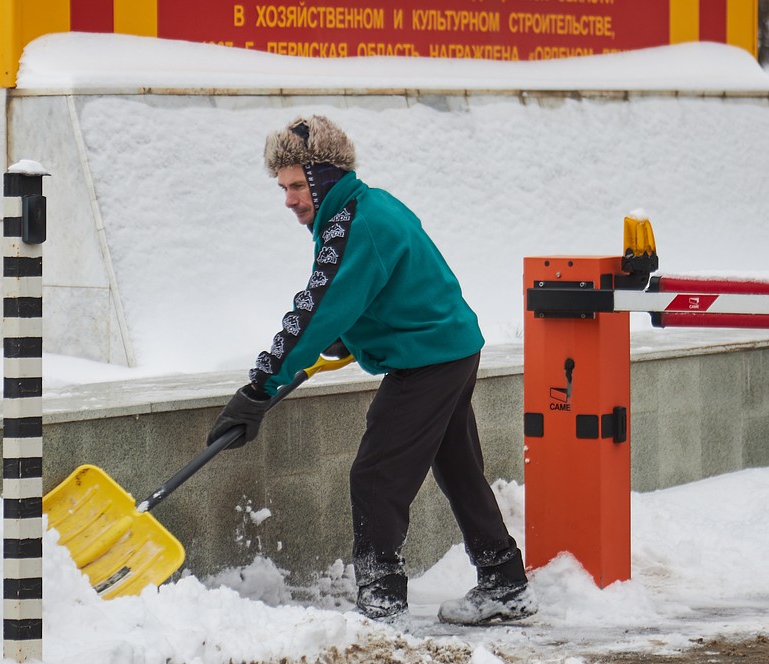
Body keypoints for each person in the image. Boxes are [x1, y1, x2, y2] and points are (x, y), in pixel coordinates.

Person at [206, 114, 537, 625]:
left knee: (376, 476)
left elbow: (316, 309)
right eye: (283, 187)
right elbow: (375, 291)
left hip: (427, 359)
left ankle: (382, 601)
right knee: (459, 470)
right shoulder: (368, 207)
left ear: (324, 177)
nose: (290, 199)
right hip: (448, 347)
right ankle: (504, 581)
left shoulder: (353, 223)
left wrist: (259, 388)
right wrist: (348, 335)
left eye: (297, 185)